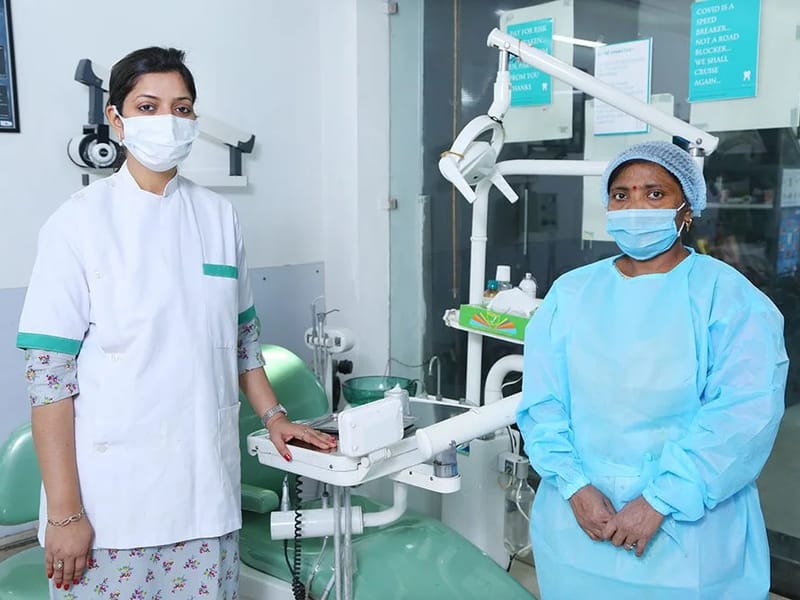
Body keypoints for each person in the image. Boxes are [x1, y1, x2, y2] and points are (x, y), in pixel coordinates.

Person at [16, 47, 336, 599]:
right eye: (148, 106)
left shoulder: (219, 217)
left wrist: (275, 415)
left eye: (181, 108)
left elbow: (241, 340)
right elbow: (48, 379)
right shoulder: (77, 225)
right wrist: (65, 514)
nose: (168, 120)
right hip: (110, 507)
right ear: (116, 120)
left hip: (205, 494)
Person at [517, 141, 788, 598]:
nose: (636, 207)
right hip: (579, 523)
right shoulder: (571, 294)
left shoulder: (727, 298)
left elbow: (744, 415)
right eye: (621, 195)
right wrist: (575, 486)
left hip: (688, 534)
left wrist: (661, 499)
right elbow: (543, 404)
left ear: (688, 209)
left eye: (655, 193)